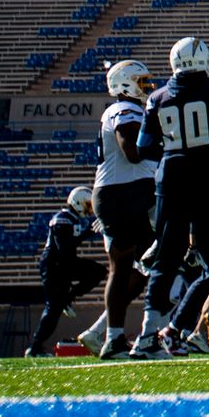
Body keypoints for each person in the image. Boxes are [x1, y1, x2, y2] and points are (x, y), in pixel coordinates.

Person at [131, 35, 209, 358]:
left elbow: (144, 147)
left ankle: (145, 337)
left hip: (171, 178)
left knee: (166, 260)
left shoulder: (156, 98)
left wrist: (175, 152)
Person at [77, 59, 158, 358]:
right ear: (124, 82)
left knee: (146, 265)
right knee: (130, 265)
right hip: (125, 193)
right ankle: (121, 337)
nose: (147, 86)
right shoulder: (124, 110)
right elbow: (133, 152)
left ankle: (110, 334)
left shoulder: (132, 110)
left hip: (127, 192)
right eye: (141, 80)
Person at [27, 187, 98, 355]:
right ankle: (35, 347)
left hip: (63, 263)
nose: (89, 209)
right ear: (77, 202)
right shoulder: (62, 219)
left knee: (98, 271)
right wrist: (85, 234)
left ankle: (68, 298)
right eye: (87, 205)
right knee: (53, 308)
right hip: (54, 265)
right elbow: (64, 248)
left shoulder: (71, 219)